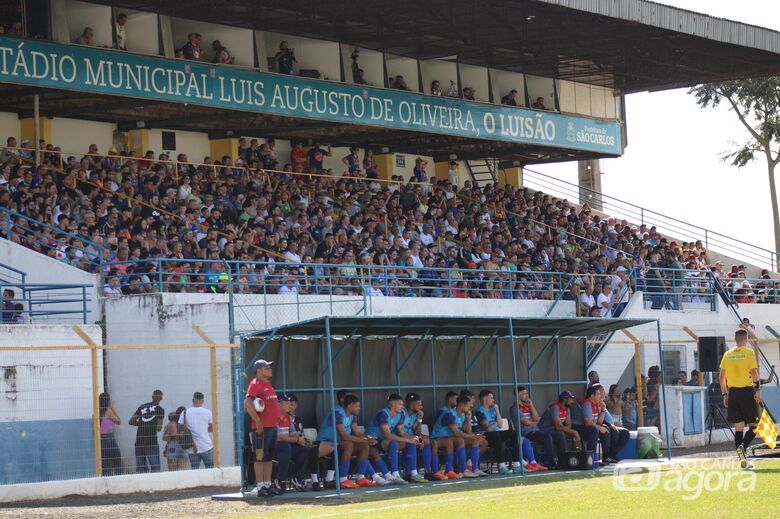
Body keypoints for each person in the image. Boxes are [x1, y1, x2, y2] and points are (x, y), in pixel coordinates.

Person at [316, 393, 385, 488]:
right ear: (349, 406)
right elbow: (345, 436)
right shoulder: (337, 413)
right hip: (326, 443)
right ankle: (343, 479)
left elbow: (357, 432)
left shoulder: (352, 415)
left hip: (340, 443)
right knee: (349, 444)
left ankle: (360, 477)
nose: (359, 408)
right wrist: (364, 440)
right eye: (357, 406)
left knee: (364, 446)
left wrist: (368, 438)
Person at [720, 329, 762, 469]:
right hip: (747, 392)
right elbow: (754, 373)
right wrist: (757, 390)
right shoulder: (749, 352)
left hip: (733, 394)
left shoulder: (727, 354)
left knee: (738, 428)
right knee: (754, 426)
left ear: (735, 339)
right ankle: (743, 447)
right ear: (747, 339)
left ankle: (743, 461)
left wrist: (725, 394)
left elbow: (721, 377)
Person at [245, 359, 281, 497]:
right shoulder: (255, 384)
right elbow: (248, 402)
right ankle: (260, 487)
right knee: (259, 457)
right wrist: (258, 422)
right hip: (261, 429)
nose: (270, 369)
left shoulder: (267, 384)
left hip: (271, 427)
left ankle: (268, 484)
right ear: (259, 370)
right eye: (267, 367)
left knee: (268, 458)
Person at [365, 393, 415, 484]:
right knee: (393, 443)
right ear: (393, 405)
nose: (402, 406)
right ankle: (395, 474)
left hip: (382, 441)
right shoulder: (383, 414)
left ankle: (413, 474)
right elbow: (388, 435)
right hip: (371, 440)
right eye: (400, 404)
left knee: (410, 443)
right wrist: (407, 439)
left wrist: (413, 439)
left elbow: (402, 431)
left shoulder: (400, 414)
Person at [475, 389, 527, 474]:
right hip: (487, 435)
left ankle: (517, 463)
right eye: (491, 398)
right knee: (496, 436)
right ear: (484, 399)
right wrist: (496, 423)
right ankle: (502, 465)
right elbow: (488, 428)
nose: (493, 400)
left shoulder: (493, 410)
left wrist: (497, 410)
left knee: (513, 434)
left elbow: (500, 425)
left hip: (496, 432)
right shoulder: (479, 412)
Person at [430, 394, 482, 478]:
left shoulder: (462, 415)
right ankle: (461, 470)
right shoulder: (450, 414)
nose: (470, 408)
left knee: (475, 441)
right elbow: (457, 433)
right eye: (468, 406)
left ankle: (474, 469)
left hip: (449, 438)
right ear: (462, 405)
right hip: (438, 438)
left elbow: (468, 432)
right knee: (460, 440)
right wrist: (473, 436)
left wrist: (468, 419)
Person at [275, 393, 319, 491]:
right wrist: (295, 439)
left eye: (290, 404)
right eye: (286, 403)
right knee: (285, 447)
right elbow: (278, 437)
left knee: (304, 449)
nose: (289, 406)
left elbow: (293, 433)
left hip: (287, 445)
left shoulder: (288, 418)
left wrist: (299, 439)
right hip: (275, 447)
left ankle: (298, 478)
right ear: (278, 404)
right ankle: (280, 479)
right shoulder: (273, 417)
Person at [511, 386, 557, 469]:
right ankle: (550, 462)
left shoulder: (527, 406)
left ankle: (562, 460)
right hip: (526, 432)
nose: (527, 396)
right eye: (524, 394)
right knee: (547, 437)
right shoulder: (515, 408)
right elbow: (526, 422)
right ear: (518, 395)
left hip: (535, 430)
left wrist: (531, 405)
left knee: (559, 434)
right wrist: (535, 422)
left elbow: (536, 417)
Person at [538, 391, 581, 463]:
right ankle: (563, 460)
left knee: (572, 434)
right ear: (565, 399)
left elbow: (568, 424)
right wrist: (573, 432)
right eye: (571, 399)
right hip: (544, 430)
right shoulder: (555, 407)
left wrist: (572, 432)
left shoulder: (567, 408)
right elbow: (557, 426)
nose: (572, 401)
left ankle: (576, 457)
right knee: (562, 434)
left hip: (554, 430)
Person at [128, 389, 165, 473]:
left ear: (152, 397)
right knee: (155, 468)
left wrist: (142, 424)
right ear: (161, 399)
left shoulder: (142, 407)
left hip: (139, 441)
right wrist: (151, 424)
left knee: (141, 468)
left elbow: (131, 421)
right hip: (151, 442)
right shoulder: (160, 410)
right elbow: (158, 428)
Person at [401, 393, 435, 482]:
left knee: (426, 440)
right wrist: (416, 438)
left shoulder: (414, 415)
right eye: (419, 404)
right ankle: (409, 473)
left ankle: (428, 472)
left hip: (410, 437)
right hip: (400, 438)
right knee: (413, 441)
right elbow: (399, 432)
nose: (421, 407)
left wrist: (419, 419)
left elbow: (417, 431)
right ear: (412, 404)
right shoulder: (402, 412)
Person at [179, 391, 214, 469]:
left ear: (192, 400)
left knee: (195, 469)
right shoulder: (208, 412)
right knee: (210, 469)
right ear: (202, 401)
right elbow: (211, 429)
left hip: (192, 448)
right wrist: (203, 428)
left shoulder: (184, 412)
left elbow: (181, 429)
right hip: (206, 446)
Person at [99, 392, 123, 476]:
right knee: (117, 462)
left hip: (100, 440)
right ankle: (119, 479)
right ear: (107, 401)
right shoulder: (108, 412)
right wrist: (113, 408)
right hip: (109, 438)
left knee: (105, 465)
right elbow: (119, 421)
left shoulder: (96, 413)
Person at [163, 407, 189, 471]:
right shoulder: (172, 424)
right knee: (180, 470)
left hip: (177, 446)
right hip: (180, 445)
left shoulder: (171, 424)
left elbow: (165, 438)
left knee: (174, 470)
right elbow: (165, 438)